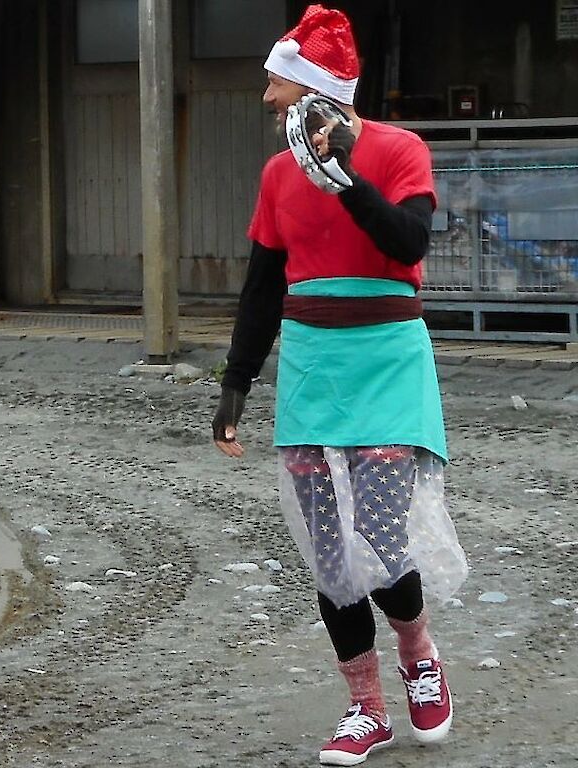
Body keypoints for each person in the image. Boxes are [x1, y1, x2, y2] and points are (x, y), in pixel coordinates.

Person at [213, 6, 468, 765]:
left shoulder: (399, 150)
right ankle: (366, 708)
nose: (266, 100)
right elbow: (262, 288)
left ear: (316, 90)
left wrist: (346, 179)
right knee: (328, 552)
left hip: (388, 359)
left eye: (276, 84)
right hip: (312, 365)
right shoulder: (274, 174)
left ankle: (418, 653)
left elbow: (410, 242)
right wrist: (235, 387)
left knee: (382, 536)